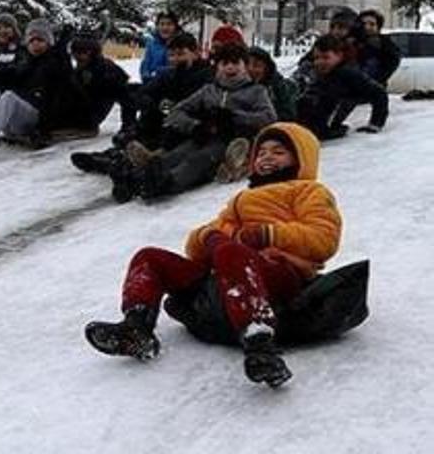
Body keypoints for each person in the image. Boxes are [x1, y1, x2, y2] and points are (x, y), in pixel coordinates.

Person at [84, 123, 342, 387]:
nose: (267, 157)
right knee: (150, 257)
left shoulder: (309, 191)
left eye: (279, 152)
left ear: (301, 159)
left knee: (230, 251)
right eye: (261, 152)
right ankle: (136, 327)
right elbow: (197, 247)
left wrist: (268, 234)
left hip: (279, 273)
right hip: (229, 273)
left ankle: (259, 343)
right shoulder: (242, 199)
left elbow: (324, 238)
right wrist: (207, 237)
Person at [110, 43, 276, 202]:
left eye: (235, 63)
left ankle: (167, 182)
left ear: (244, 66)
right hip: (205, 135)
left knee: (198, 160)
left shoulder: (256, 91)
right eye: (224, 63)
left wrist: (234, 116)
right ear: (218, 66)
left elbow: (269, 117)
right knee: (178, 154)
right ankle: (134, 179)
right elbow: (177, 111)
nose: (230, 68)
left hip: (231, 140)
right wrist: (194, 125)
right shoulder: (209, 90)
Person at [70, 33, 212, 175]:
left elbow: (196, 105)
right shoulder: (169, 74)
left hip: (186, 126)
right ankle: (116, 154)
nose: (175, 59)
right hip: (161, 120)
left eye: (180, 54)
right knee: (148, 115)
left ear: (195, 52)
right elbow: (144, 93)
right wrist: (155, 103)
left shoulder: (205, 76)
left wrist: (168, 107)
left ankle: (129, 161)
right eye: (171, 55)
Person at [0, 19, 79, 164]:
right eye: (32, 41)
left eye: (40, 40)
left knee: (10, 97)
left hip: (39, 121)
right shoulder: (27, 64)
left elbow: (61, 60)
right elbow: (0, 77)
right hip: (17, 121)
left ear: (49, 42)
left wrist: (63, 42)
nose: (35, 44)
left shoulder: (56, 62)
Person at [296, 34, 389, 139]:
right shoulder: (318, 72)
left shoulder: (348, 73)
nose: (320, 62)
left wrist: (375, 124)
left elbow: (379, 93)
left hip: (324, 127)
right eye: (316, 58)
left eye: (326, 57)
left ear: (339, 56)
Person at [69, 32, 137, 135]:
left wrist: (128, 125)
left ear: (91, 53)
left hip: (95, 109)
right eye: (75, 54)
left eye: (82, 53)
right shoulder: (81, 69)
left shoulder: (106, 70)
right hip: (81, 106)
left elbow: (126, 99)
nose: (78, 57)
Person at [247, 46, 299, 121]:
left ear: (266, 68)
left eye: (257, 65)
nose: (250, 69)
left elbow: (288, 114)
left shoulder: (278, 87)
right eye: (247, 65)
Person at [355, 9, 402, 87]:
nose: (367, 27)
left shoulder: (386, 46)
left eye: (372, 24)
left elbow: (389, 66)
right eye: (363, 24)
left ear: (378, 27)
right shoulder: (353, 43)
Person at [140, 12, 181, 82]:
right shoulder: (151, 44)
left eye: (169, 24)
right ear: (157, 26)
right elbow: (145, 65)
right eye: (162, 24)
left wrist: (158, 71)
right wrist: (146, 76)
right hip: (152, 83)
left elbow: (178, 68)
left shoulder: (181, 43)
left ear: (175, 26)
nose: (165, 28)